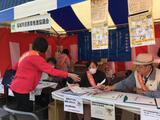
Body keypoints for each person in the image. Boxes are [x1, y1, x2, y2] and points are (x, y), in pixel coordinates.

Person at [10, 37, 80, 112]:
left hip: (15, 86)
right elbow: (51, 71)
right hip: (23, 89)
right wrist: (69, 74)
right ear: (44, 48)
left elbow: (14, 67)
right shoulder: (36, 58)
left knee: (21, 108)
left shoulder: (25, 54)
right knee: (26, 112)